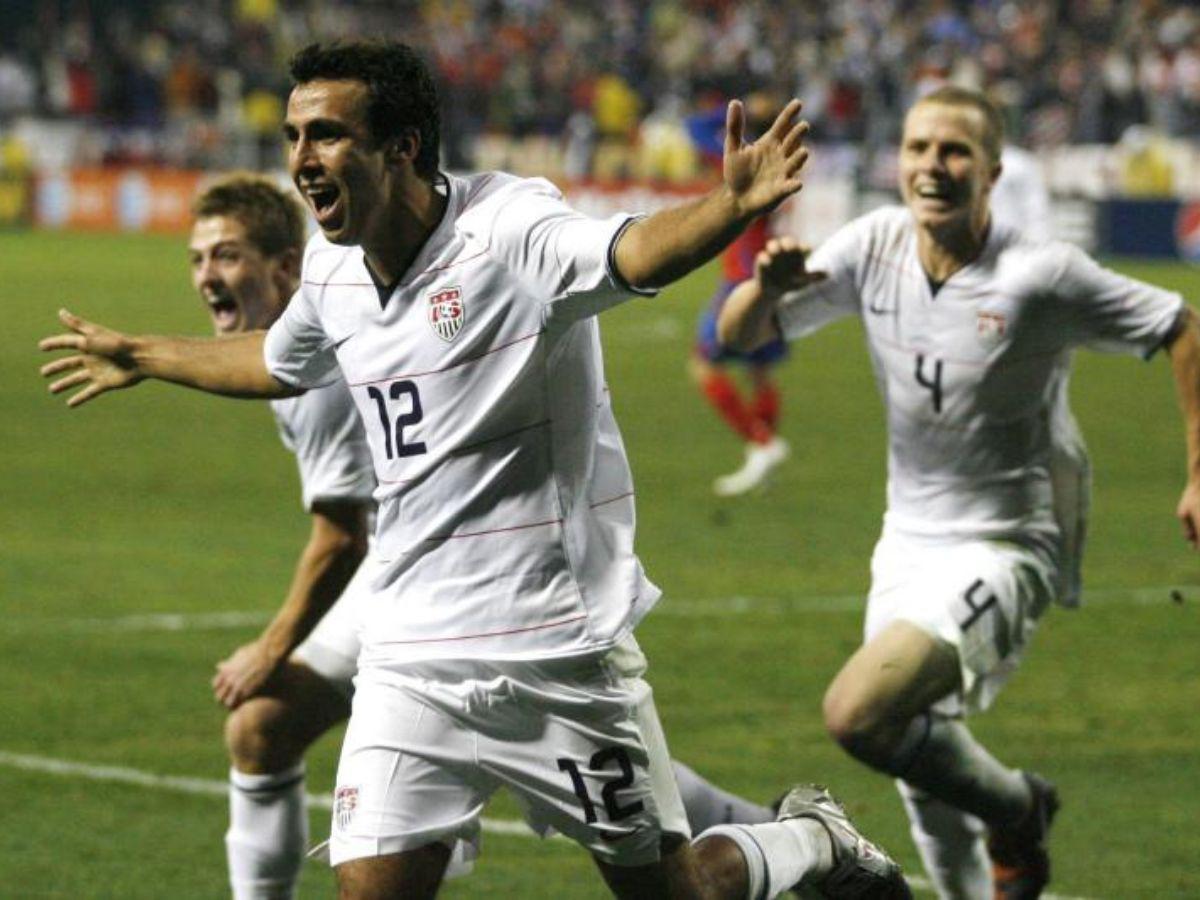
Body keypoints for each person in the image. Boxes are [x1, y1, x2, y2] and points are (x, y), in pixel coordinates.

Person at [41, 41, 911, 900]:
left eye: (328, 135)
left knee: (674, 892)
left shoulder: (507, 231)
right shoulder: (336, 270)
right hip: (408, 653)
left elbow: (632, 252)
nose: (302, 159)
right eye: (296, 137)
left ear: (402, 148)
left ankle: (809, 838)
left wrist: (728, 206)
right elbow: (276, 360)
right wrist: (145, 354)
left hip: (554, 647)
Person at [716, 85, 1200, 899]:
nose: (931, 167)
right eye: (917, 149)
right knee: (921, 776)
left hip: (1009, 545)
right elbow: (736, 336)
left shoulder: (1039, 274)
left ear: (992, 169)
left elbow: (1180, 324)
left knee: (859, 713)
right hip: (905, 541)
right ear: (896, 160)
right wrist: (767, 289)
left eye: (953, 151)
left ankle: (1015, 810)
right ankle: (998, 852)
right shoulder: (873, 244)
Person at [186, 173, 376, 900]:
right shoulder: (289, 348)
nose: (208, 275)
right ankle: (751, 832)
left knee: (584, 781)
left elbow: (341, 540)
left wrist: (270, 650)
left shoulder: (317, 369)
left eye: (228, 256)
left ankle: (751, 841)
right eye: (199, 258)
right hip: (400, 570)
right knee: (261, 730)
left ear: (287, 267)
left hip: (439, 573)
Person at [686, 92, 792, 496]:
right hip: (768, 273)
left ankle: (761, 444)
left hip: (740, 278)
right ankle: (762, 456)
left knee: (704, 365)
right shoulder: (780, 160)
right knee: (759, 368)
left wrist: (736, 110)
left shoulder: (740, 161)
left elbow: (693, 128)